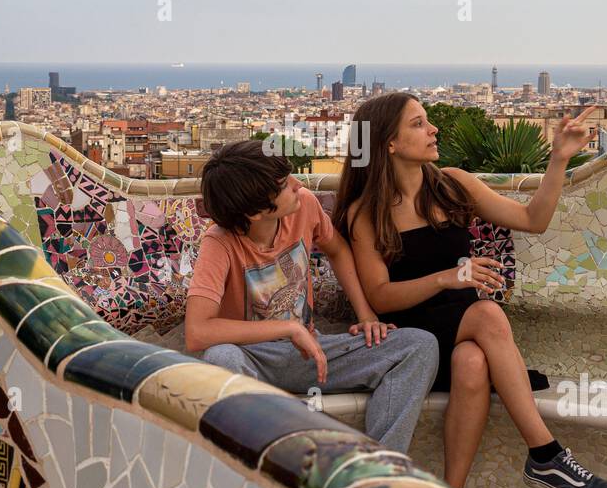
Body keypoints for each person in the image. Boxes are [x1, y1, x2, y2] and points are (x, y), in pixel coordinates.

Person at [333, 93, 607, 488]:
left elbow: (531, 220)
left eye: (427, 120)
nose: (433, 129)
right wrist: (446, 279)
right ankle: (545, 454)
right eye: (418, 124)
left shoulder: (452, 183)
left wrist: (559, 159)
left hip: (464, 336)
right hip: (417, 343)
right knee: (486, 313)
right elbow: (381, 297)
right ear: (388, 144)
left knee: (473, 361)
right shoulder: (367, 212)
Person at [185, 139, 438, 454]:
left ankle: (377, 473)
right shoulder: (219, 243)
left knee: (420, 346)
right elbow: (197, 332)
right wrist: (289, 328)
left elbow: (338, 250)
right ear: (254, 211)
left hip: (312, 355)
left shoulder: (303, 204)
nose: (298, 184)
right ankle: (266, 468)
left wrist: (366, 314)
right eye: (284, 185)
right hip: (252, 362)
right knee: (220, 358)